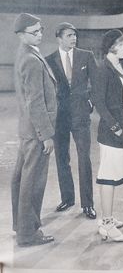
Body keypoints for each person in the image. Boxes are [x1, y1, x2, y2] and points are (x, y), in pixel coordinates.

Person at [11, 13, 57, 247]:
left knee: (21, 178)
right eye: (35, 32)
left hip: (27, 129)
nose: (40, 35)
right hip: (37, 131)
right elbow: (35, 102)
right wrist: (46, 135)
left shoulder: (25, 53)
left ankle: (21, 225)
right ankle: (28, 234)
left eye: (40, 30)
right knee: (33, 181)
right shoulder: (30, 58)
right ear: (21, 35)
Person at [46, 22, 97, 219]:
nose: (73, 38)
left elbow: (96, 82)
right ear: (59, 38)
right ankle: (67, 198)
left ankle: (88, 204)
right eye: (69, 35)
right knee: (62, 158)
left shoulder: (86, 55)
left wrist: (90, 101)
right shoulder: (49, 60)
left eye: (74, 35)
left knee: (84, 158)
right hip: (59, 117)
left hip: (81, 115)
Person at [92, 29, 123, 242]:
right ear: (111, 45)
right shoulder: (103, 69)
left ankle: (106, 218)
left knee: (113, 173)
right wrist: (115, 127)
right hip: (113, 128)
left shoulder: (121, 66)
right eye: (122, 43)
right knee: (108, 175)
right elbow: (99, 103)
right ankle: (108, 223)